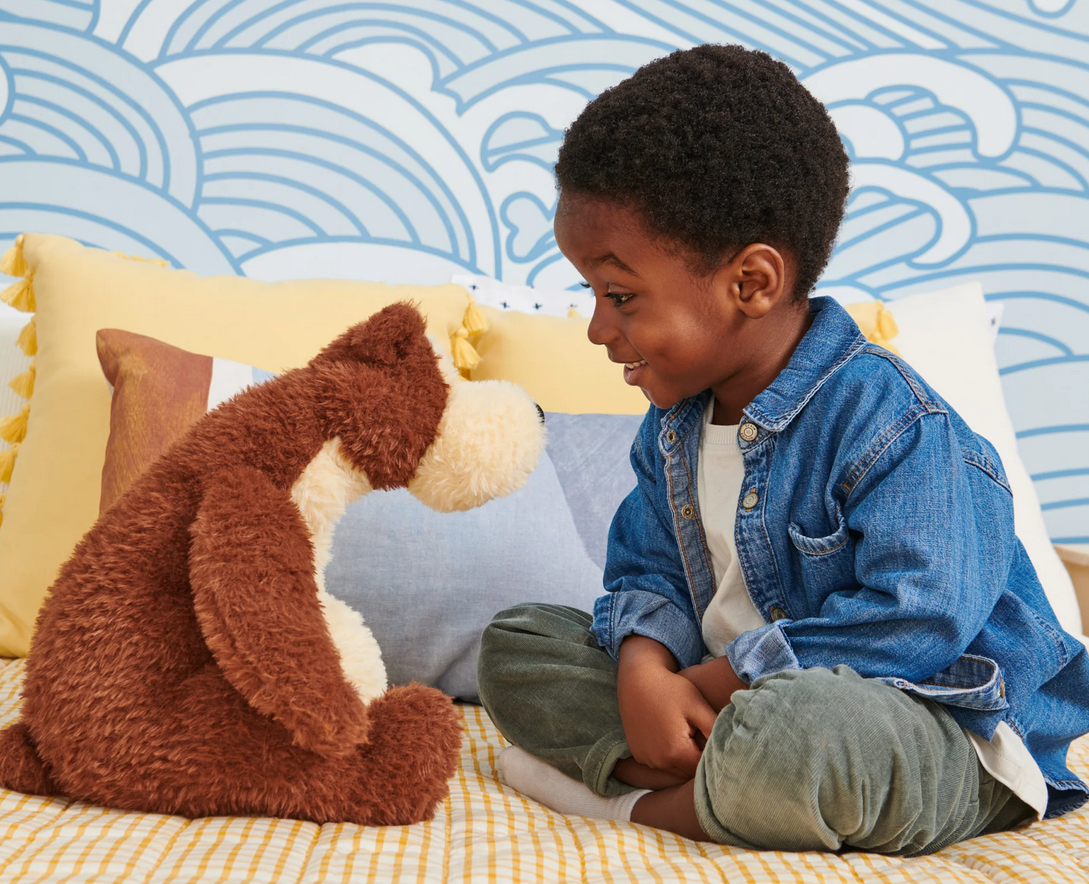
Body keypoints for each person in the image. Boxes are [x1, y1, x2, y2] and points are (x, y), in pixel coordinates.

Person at [475, 43, 1089, 855]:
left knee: (807, 734)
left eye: (619, 296)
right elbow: (647, 570)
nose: (595, 328)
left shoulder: (896, 424)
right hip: (730, 699)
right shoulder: (671, 428)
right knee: (515, 646)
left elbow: (918, 617)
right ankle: (714, 771)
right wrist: (642, 672)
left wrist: (707, 683)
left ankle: (637, 805)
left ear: (751, 283)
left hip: (928, 725)